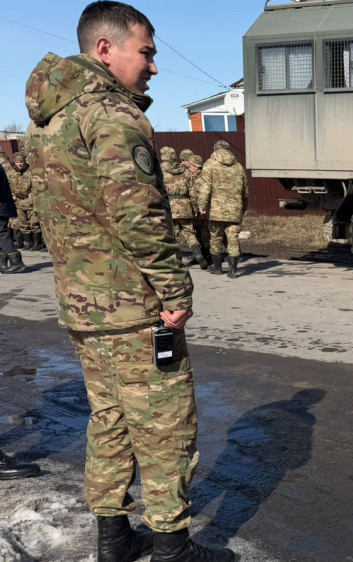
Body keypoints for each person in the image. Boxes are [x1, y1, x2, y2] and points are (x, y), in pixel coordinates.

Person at [23, 2, 234, 561]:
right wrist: (174, 291)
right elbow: (137, 214)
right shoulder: (110, 116)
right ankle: (171, 547)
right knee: (165, 424)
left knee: (111, 418)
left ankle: (114, 539)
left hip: (84, 306)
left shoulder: (49, 120)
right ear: (104, 49)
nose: (154, 66)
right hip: (134, 308)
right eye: (146, 51)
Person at [199, 140, 248, 279]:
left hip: (216, 210)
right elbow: (245, 191)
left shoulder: (210, 164)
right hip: (235, 210)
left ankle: (218, 267)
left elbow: (205, 187)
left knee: (216, 238)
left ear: (215, 149)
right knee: (233, 239)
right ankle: (233, 271)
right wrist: (243, 208)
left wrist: (202, 206)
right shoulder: (238, 167)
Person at [160, 146, 206, 268]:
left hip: (170, 207)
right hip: (185, 206)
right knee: (189, 233)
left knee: (173, 235)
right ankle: (198, 254)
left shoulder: (160, 172)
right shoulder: (184, 171)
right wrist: (195, 209)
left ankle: (177, 261)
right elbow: (193, 192)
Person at [180, 150, 210, 267]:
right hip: (195, 208)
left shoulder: (202, 178)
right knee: (197, 232)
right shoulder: (192, 175)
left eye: (191, 166)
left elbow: (200, 194)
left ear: (197, 167)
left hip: (202, 208)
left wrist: (200, 209)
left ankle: (207, 255)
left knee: (204, 233)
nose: (189, 168)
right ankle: (202, 255)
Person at [0, 163, 27, 274]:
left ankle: (17, 263)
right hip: (3, 205)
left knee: (1, 232)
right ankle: (3, 262)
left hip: (1, 205)